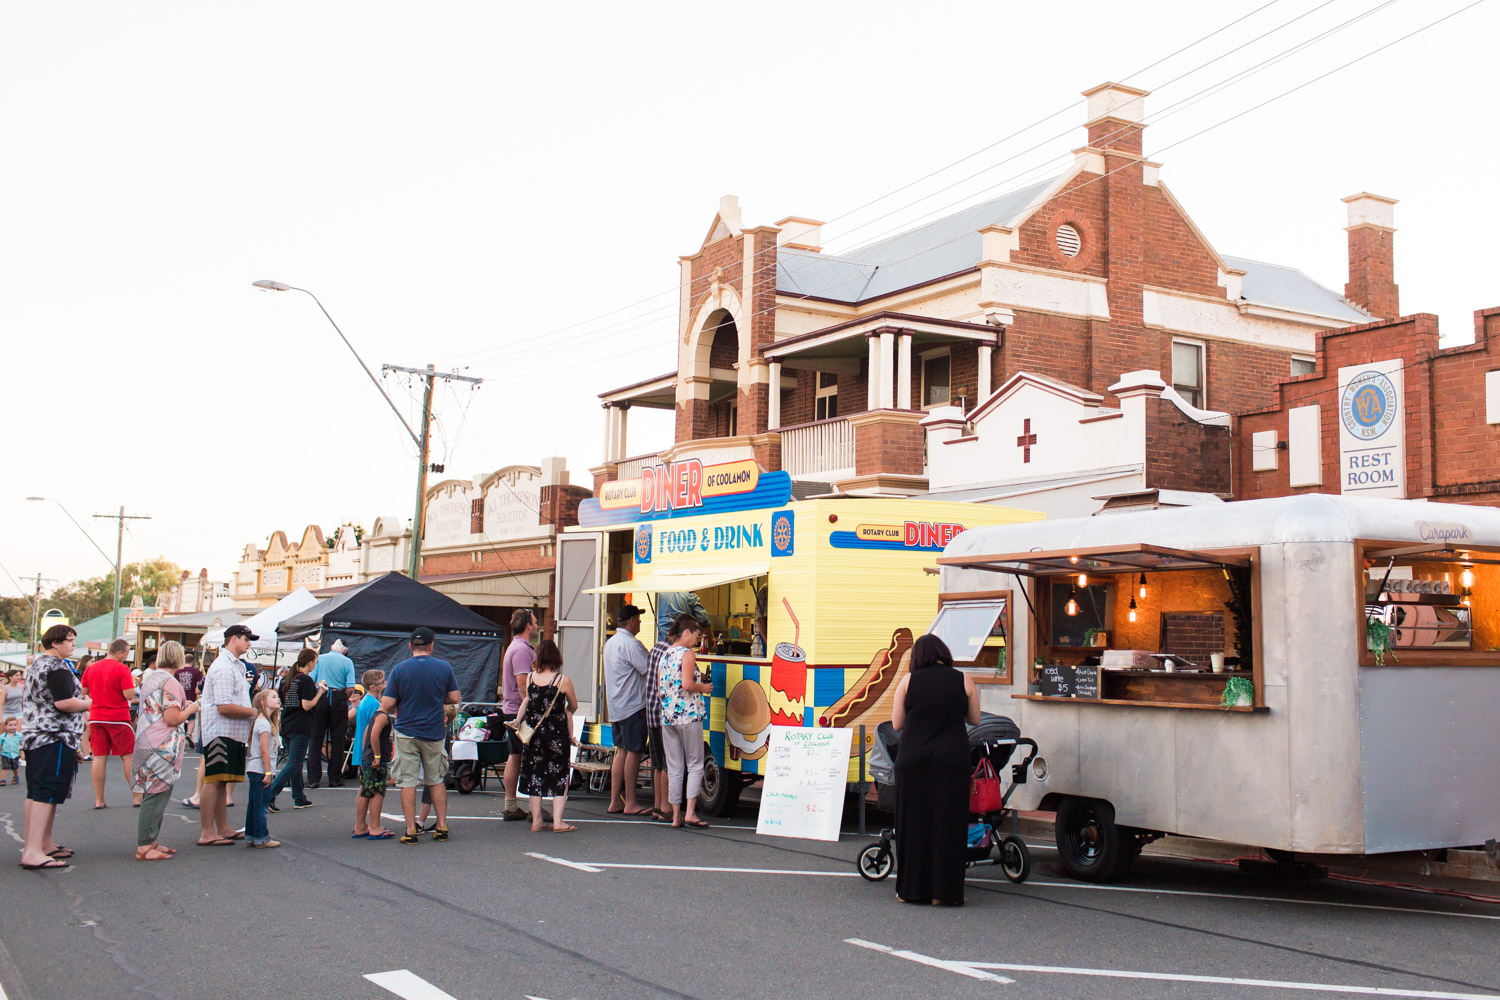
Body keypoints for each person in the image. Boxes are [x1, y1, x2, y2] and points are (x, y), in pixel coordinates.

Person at [890, 634, 981, 907]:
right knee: (949, 826)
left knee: (913, 825)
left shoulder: (908, 682)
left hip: (913, 761)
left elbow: (896, 724)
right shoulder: (963, 679)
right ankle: (945, 893)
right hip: (951, 761)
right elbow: (975, 719)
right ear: (944, 653)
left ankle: (910, 891)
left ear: (917, 657)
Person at [380, 627, 460, 845]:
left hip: (407, 731)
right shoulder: (444, 667)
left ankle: (410, 829)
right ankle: (441, 826)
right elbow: (455, 697)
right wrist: (435, 697)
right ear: (432, 645)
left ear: (409, 647)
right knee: (436, 779)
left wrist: (403, 699)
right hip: (434, 731)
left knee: (408, 781)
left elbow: (386, 704)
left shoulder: (399, 669)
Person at [20, 625, 89, 870]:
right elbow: (64, 702)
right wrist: (87, 702)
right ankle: (33, 851)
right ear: (57, 642)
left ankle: (40, 843)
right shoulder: (57, 666)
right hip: (54, 736)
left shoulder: (38, 664)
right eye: (70, 641)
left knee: (37, 791)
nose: (73, 646)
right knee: (47, 792)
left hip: (36, 735)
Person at [132, 640, 198, 861]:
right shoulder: (171, 682)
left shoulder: (151, 678)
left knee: (156, 793)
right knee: (156, 794)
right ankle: (144, 845)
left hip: (147, 738)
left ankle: (151, 841)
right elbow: (172, 718)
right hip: (161, 744)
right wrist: (190, 708)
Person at [197, 624, 256, 847]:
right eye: (246, 639)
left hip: (231, 732)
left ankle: (222, 828)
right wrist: (254, 712)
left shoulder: (235, 665)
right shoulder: (223, 667)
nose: (249, 644)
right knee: (213, 781)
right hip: (220, 732)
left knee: (222, 781)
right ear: (233, 639)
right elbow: (223, 706)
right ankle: (206, 832)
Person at [517, 639, 579, 833]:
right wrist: (565, 711)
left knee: (535, 774)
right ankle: (558, 821)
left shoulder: (529, 678)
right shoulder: (563, 681)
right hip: (556, 735)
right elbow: (574, 705)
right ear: (556, 658)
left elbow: (528, 701)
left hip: (534, 735)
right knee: (559, 775)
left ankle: (536, 820)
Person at [658, 613, 712, 829]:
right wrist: (704, 687)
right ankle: (690, 812)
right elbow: (688, 684)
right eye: (696, 637)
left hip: (668, 716)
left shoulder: (665, 654)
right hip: (688, 715)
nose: (696, 642)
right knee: (695, 764)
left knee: (674, 766)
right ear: (686, 632)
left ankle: (675, 815)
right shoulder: (687, 654)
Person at [603, 604, 651, 816]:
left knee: (621, 751)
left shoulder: (611, 643)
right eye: (638, 619)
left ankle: (615, 800)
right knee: (634, 752)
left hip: (616, 705)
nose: (640, 622)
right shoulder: (632, 644)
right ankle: (631, 801)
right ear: (631, 620)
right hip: (633, 705)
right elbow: (649, 669)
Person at [81, 638, 139, 809]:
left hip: (96, 716)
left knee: (99, 757)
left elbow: (84, 691)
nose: (126, 657)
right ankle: (137, 796)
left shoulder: (91, 668)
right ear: (119, 652)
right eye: (126, 654)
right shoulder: (122, 669)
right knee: (128, 755)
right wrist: (133, 685)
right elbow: (129, 695)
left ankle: (99, 799)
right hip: (118, 716)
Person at [266, 649, 321, 811]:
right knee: (295, 762)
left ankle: (299, 797)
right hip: (301, 724)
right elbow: (307, 705)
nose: (315, 665)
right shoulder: (306, 680)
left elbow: (284, 700)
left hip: (287, 722)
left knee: (294, 762)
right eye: (315, 662)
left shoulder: (287, 680)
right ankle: (270, 794)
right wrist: (320, 693)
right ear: (310, 662)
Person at [500, 608, 538, 821]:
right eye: (535, 620)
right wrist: (532, 709)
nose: (538, 624)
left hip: (511, 709)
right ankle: (535, 808)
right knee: (530, 757)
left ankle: (511, 805)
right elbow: (523, 685)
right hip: (519, 711)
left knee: (514, 756)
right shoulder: (522, 651)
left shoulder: (515, 646)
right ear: (528, 626)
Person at [309, 639, 356, 788]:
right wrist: (344, 699)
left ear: (331, 647)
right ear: (345, 651)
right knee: (338, 739)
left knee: (316, 738)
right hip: (338, 697)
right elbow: (350, 688)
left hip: (321, 696)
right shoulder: (347, 662)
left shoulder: (320, 659)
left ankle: (313, 778)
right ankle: (334, 777)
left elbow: (312, 680)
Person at [354, 673, 394, 840]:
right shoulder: (381, 713)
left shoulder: (370, 707)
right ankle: (375, 826)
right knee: (378, 791)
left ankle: (360, 824)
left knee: (365, 789)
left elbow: (366, 734)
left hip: (367, 756)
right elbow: (373, 735)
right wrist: (377, 755)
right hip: (375, 758)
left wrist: (366, 752)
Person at [643, 626, 673, 823]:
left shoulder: (655, 649)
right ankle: (666, 807)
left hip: (651, 711)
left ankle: (656, 804)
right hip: (663, 713)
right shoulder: (670, 652)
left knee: (656, 763)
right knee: (667, 763)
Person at [244, 689, 281, 849]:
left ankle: (251, 836)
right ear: (262, 702)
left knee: (254, 804)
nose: (278, 699)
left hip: (255, 768)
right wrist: (268, 772)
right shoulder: (264, 724)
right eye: (273, 697)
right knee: (261, 805)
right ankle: (261, 837)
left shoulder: (261, 721)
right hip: (260, 769)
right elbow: (264, 750)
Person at [1, 718, 21, 786]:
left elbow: (22, 745)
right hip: (5, 754)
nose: (12, 727)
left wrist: (22, 753)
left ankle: (15, 777)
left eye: (14, 725)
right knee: (4, 767)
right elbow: (0, 745)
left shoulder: (19, 736)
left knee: (15, 767)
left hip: (15, 754)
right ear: (6, 726)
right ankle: (3, 779)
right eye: (10, 725)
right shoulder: (2, 736)